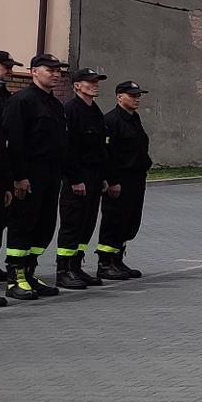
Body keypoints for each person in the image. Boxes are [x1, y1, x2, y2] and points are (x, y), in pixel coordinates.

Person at [3, 54, 70, 300]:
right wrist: (19, 177)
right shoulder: (22, 101)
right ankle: (15, 277)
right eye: (49, 69)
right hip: (29, 174)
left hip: (51, 175)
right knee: (23, 224)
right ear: (33, 72)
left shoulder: (54, 105)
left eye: (58, 70)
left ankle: (30, 271)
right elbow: (15, 142)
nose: (55, 74)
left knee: (44, 226)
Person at [54, 68, 111, 290]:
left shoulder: (95, 111)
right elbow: (68, 149)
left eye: (96, 81)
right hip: (77, 176)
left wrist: (103, 177)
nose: (94, 85)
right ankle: (63, 270)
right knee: (72, 223)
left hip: (94, 176)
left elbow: (99, 147)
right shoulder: (71, 109)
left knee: (87, 224)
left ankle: (76, 266)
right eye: (89, 81)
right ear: (77, 85)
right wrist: (75, 178)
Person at [96, 81, 152, 280]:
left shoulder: (134, 119)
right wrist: (112, 181)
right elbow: (108, 154)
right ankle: (105, 262)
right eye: (132, 95)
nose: (136, 99)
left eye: (138, 95)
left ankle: (117, 259)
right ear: (119, 96)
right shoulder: (112, 120)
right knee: (114, 220)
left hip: (136, 177)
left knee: (130, 220)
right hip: (120, 179)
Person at [0, 50, 17, 291]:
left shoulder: (5, 96)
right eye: (5, 66)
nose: (9, 71)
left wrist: (7, 182)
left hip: (0, 172)